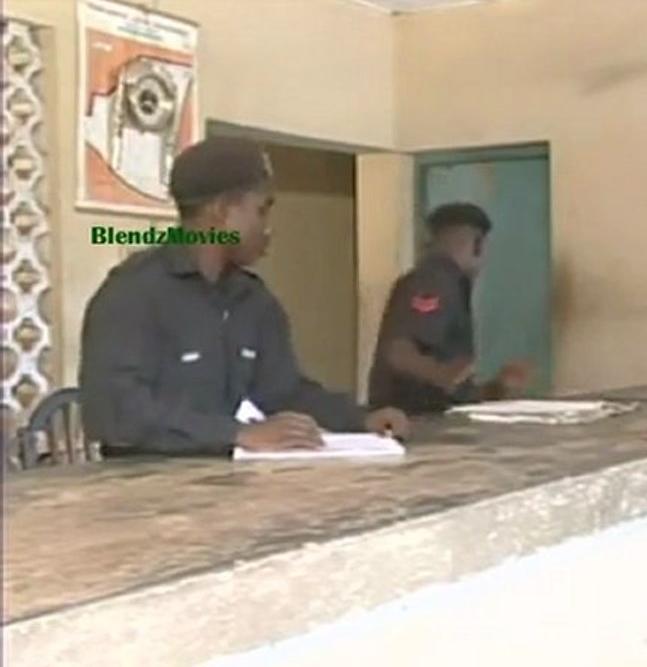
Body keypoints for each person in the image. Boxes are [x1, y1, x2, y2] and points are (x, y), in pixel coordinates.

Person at [79, 137, 409, 457]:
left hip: (231, 489)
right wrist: (237, 434)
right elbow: (115, 413)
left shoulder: (253, 300)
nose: (268, 228)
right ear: (221, 212)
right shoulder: (134, 293)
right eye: (261, 211)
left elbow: (283, 391)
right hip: (141, 500)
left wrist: (360, 420)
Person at [366, 202, 531, 415]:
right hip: (411, 422)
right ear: (477, 245)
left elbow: (449, 389)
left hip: (426, 418)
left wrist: (496, 388)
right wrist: (447, 377)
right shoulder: (434, 281)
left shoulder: (448, 282)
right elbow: (399, 353)